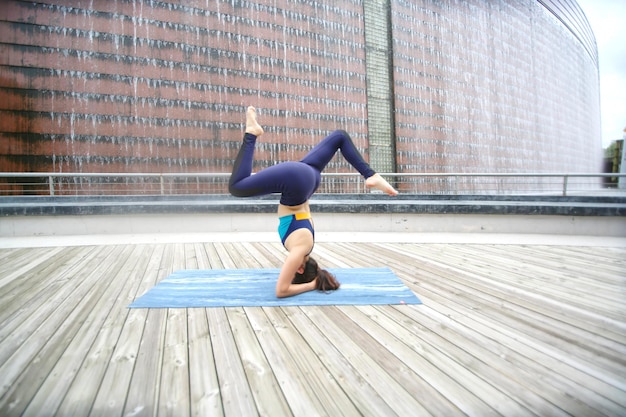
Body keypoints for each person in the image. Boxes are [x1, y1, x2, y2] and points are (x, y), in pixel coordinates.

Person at [229, 106, 398, 298]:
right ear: (299, 270)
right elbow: (281, 291)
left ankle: (371, 175)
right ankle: (251, 133)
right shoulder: (299, 250)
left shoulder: (309, 242)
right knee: (237, 187)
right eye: (293, 271)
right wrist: (312, 285)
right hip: (296, 181)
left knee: (340, 136)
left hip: (310, 177)